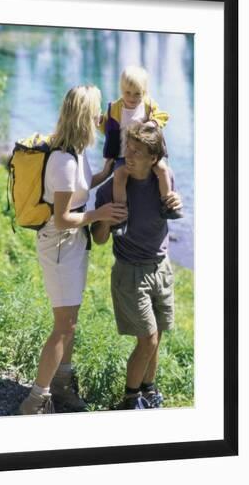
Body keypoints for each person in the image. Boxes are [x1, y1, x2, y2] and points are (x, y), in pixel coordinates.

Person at [18, 85, 128, 415]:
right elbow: (64, 217)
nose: (100, 118)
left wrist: (105, 172)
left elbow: (78, 189)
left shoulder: (77, 151)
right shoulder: (63, 160)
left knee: (71, 323)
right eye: (96, 111)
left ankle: (62, 388)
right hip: (60, 245)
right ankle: (36, 400)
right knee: (63, 326)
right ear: (83, 115)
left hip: (73, 244)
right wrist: (100, 214)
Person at [92, 122, 182, 410]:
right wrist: (105, 217)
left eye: (137, 152)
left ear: (153, 159)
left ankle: (148, 390)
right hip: (130, 273)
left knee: (157, 336)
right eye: (128, 149)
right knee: (148, 339)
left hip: (161, 268)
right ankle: (130, 400)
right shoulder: (111, 189)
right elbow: (99, 239)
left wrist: (176, 201)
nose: (129, 156)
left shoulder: (163, 181)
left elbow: (172, 211)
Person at [100, 65, 182, 236]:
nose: (132, 97)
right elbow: (106, 127)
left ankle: (167, 204)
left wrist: (153, 123)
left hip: (146, 155)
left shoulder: (148, 105)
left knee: (162, 169)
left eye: (137, 93)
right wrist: (98, 122)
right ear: (122, 90)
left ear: (144, 92)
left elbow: (163, 116)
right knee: (120, 176)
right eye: (128, 93)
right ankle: (121, 216)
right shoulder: (115, 108)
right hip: (123, 154)